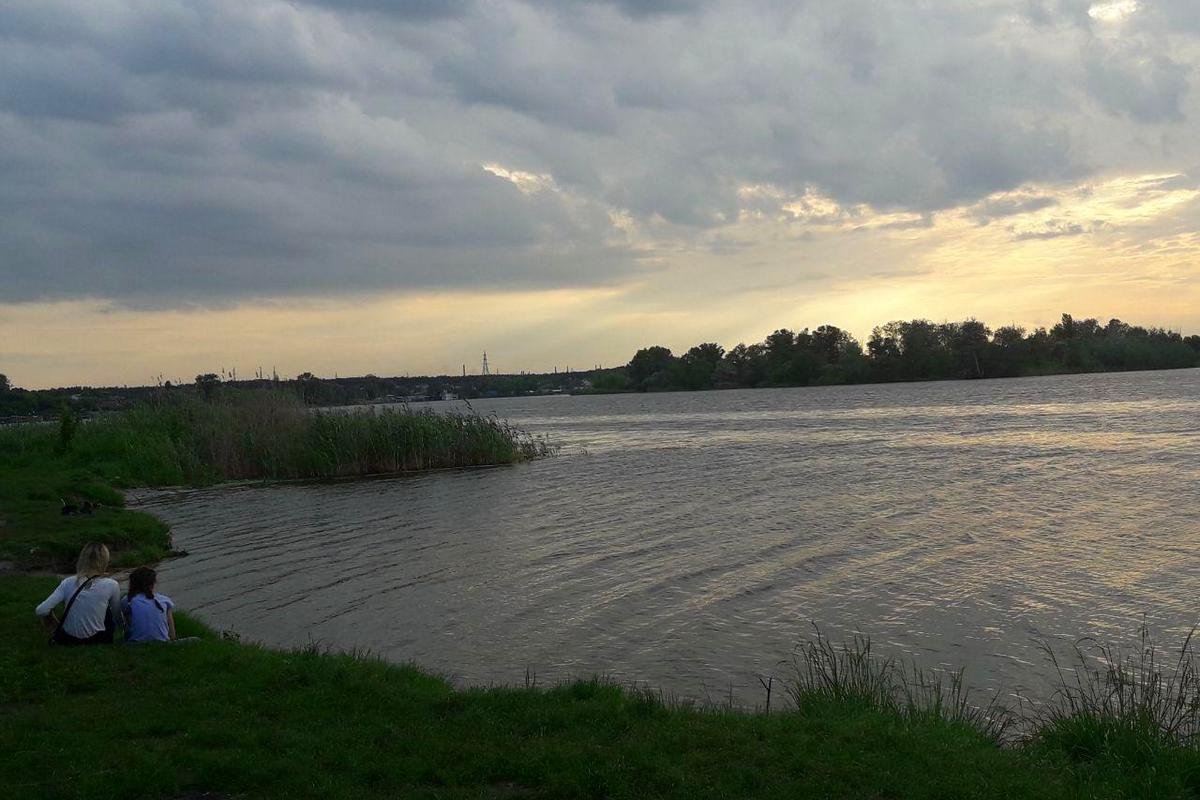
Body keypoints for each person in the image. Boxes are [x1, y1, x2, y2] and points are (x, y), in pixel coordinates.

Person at [35, 542, 121, 645]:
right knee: (107, 608)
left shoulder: (68, 582)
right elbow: (117, 616)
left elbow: (41, 610)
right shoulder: (111, 584)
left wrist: (52, 619)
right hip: (99, 639)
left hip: (69, 639)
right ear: (105, 561)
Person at [122, 566, 177, 643]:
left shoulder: (127, 600)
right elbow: (172, 635)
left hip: (134, 643)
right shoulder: (165, 600)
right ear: (153, 583)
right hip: (163, 643)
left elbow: (124, 624)